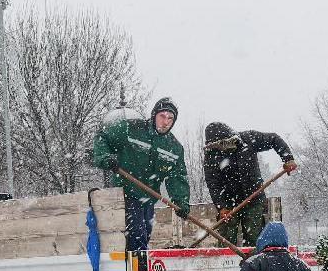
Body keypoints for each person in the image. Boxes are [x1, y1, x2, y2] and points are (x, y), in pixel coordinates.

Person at [92, 97, 189, 251]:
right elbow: (103, 136)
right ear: (154, 115)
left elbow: (177, 177)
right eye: (162, 116)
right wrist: (105, 157)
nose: (166, 122)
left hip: (149, 199)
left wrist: (181, 202)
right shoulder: (132, 129)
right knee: (137, 236)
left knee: (145, 235)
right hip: (125, 194)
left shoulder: (174, 148)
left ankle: (138, 269)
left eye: (170, 118)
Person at [202, 122, 297, 248]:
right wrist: (221, 207)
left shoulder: (249, 139)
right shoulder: (211, 156)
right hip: (229, 202)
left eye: (224, 144)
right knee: (227, 239)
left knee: (254, 237)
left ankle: (253, 263)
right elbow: (213, 184)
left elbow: (274, 139)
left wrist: (288, 158)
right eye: (218, 146)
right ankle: (227, 261)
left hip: (253, 197)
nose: (222, 148)